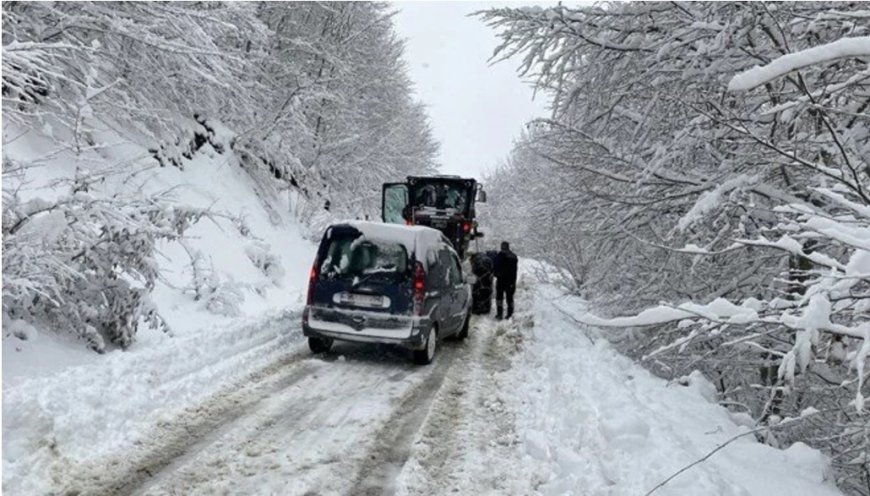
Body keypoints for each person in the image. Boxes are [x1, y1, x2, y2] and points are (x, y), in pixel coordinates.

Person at [493, 241, 518, 320]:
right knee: (509, 298)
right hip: (511, 281)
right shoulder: (514, 256)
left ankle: (499, 314)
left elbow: (495, 267)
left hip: (501, 280)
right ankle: (510, 314)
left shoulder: (499, 255)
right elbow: (514, 270)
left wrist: (496, 274)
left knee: (499, 297)